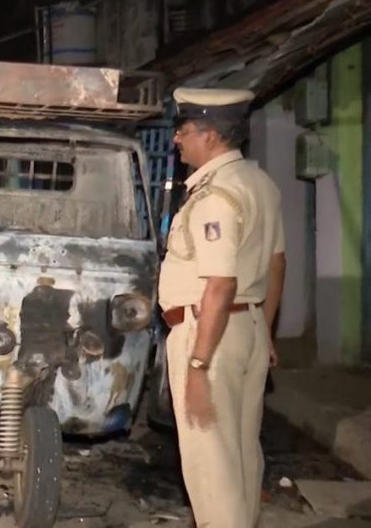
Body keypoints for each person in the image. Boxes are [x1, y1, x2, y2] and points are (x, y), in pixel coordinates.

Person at [158, 88, 286, 528]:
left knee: (212, 465)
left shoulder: (216, 197)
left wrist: (197, 365)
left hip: (210, 333)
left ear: (210, 137)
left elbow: (219, 284)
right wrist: (263, 331)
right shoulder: (259, 184)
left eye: (185, 131)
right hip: (245, 327)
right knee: (241, 454)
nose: (178, 140)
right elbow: (275, 263)